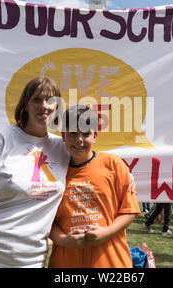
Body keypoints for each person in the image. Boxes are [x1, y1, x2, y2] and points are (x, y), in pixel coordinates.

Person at [0, 77, 71, 268]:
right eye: (37, 99)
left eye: (50, 100)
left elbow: (90, 165)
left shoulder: (62, 147)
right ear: (25, 105)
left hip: (32, 262)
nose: (44, 106)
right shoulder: (1, 138)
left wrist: (124, 177)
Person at [48, 105, 140, 268]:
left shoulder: (113, 164)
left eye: (86, 134)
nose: (79, 140)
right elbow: (47, 219)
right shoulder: (53, 171)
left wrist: (107, 232)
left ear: (95, 136)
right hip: (66, 261)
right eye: (73, 134)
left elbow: (130, 210)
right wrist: (65, 240)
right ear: (63, 135)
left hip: (111, 262)